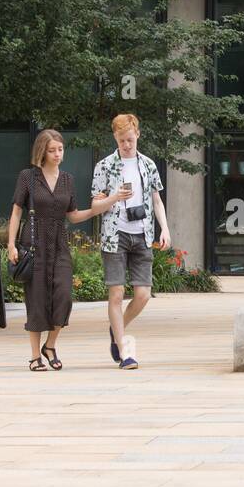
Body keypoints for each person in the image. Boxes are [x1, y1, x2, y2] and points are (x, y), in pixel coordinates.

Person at [8, 130, 129, 372]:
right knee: (37, 299)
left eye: (60, 150)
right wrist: (11, 244)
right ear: (42, 151)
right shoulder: (28, 177)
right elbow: (16, 211)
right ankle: (35, 356)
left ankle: (50, 345)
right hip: (34, 243)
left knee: (64, 296)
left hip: (60, 243)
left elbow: (73, 216)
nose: (57, 154)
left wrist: (106, 203)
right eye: (52, 150)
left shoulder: (67, 180)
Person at [91, 114, 170, 370]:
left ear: (138, 135)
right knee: (116, 293)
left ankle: (116, 329)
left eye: (130, 139)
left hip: (143, 233)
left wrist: (164, 229)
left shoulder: (147, 164)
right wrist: (115, 197)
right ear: (115, 137)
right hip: (115, 235)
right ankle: (125, 353)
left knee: (143, 295)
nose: (126, 144)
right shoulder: (104, 166)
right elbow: (95, 205)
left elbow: (157, 200)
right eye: (122, 140)